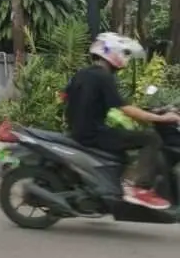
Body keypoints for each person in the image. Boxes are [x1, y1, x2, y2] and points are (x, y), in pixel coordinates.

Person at [64, 32, 180, 210]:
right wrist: (160, 118)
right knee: (150, 138)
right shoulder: (104, 77)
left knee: (128, 145)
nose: (125, 57)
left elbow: (75, 99)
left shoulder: (83, 74)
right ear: (112, 53)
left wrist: (151, 111)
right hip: (93, 134)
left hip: (79, 131)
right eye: (123, 53)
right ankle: (132, 185)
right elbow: (125, 109)